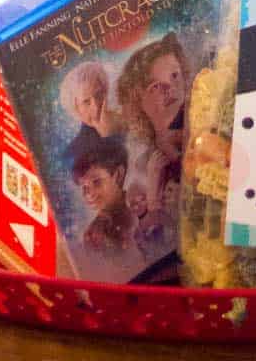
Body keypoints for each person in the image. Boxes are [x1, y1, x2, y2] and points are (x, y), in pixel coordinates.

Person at [117, 33, 188, 214]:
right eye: (155, 86)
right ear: (136, 102)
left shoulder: (204, 123)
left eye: (174, 75)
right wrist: (154, 197)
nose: (169, 88)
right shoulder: (142, 169)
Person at [72, 135, 133, 254]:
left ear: (118, 175)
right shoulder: (92, 232)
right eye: (84, 187)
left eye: (97, 182)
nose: (88, 194)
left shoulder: (137, 208)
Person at [60, 61, 123, 165]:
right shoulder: (73, 154)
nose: (96, 106)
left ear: (106, 91)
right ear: (76, 109)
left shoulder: (127, 120)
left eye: (98, 95)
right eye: (86, 102)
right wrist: (110, 137)